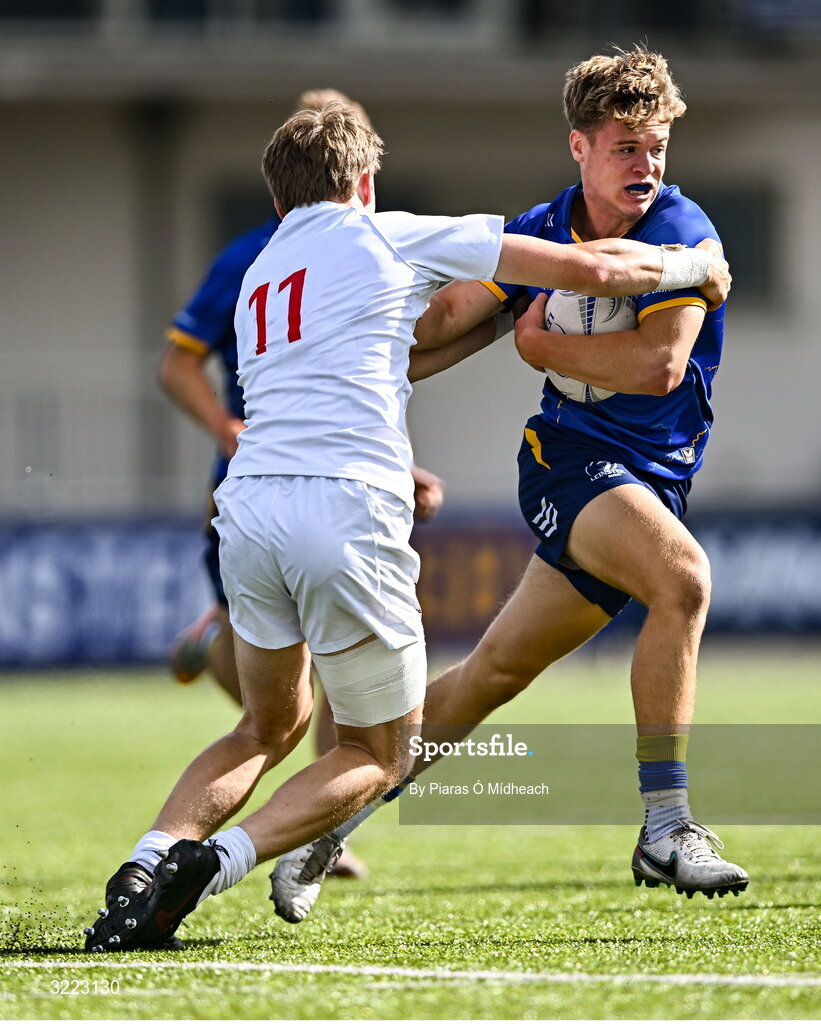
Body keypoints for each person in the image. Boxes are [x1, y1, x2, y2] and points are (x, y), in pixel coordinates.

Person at [81, 99, 729, 953]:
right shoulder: (389, 234)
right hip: (343, 514)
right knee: (380, 752)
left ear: (279, 202)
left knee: (264, 728)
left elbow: (386, 356)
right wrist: (692, 269)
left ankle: (144, 864)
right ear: (365, 182)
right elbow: (595, 274)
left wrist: (499, 327)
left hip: (245, 509)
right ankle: (216, 863)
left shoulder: (261, 276)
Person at [268, 46, 748, 925]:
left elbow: (660, 366)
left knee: (488, 676)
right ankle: (668, 825)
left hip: (651, 477)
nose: (645, 167)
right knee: (682, 580)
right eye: (624, 147)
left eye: (656, 147)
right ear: (579, 145)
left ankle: (325, 825)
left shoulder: (683, 231)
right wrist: (367, 343)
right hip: (568, 463)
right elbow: (451, 317)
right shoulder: (543, 222)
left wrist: (540, 345)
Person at [159, 89, 442, 880]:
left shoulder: (346, 246)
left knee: (314, 681)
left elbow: (349, 384)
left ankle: (319, 826)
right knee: (299, 701)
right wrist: (224, 425)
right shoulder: (257, 254)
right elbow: (178, 360)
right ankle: (219, 649)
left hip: (315, 483)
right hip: (264, 480)